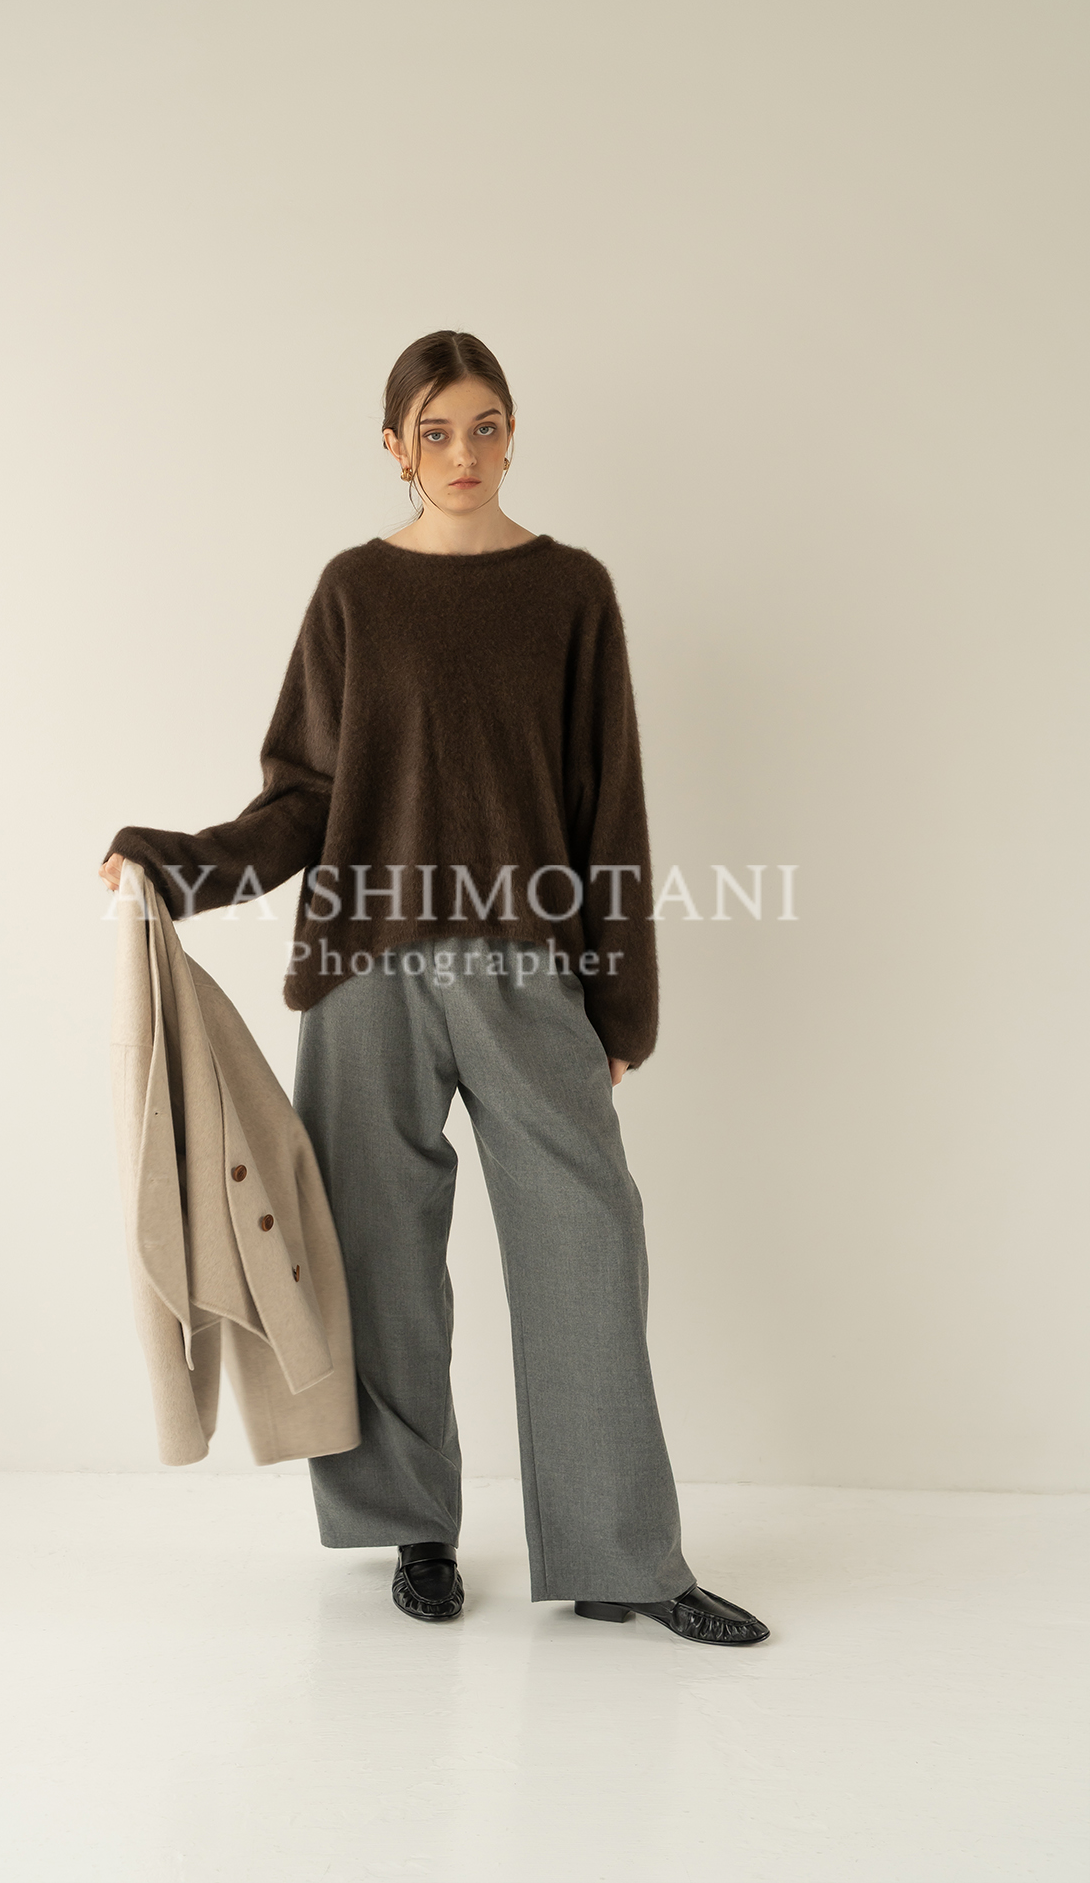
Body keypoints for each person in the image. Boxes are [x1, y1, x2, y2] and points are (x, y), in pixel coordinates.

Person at [99, 330, 769, 1647]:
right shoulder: (356, 592)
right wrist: (179, 867)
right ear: (396, 447)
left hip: (527, 966)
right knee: (378, 1258)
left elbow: (609, 809)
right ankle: (414, 1528)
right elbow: (304, 798)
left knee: (588, 1244)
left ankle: (626, 1558)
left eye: (486, 426)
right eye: (437, 430)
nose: (464, 453)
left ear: (514, 434)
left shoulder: (571, 591)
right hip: (367, 969)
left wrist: (621, 1004)